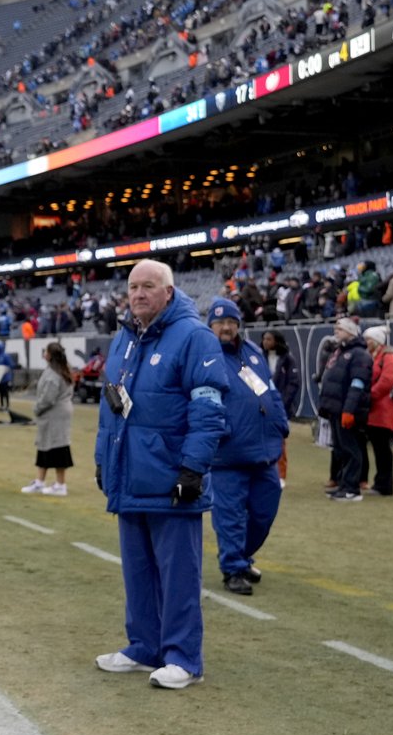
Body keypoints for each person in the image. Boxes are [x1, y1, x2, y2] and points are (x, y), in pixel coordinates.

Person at [94, 259, 226, 690]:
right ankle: (143, 646)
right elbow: (108, 407)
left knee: (178, 574)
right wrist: (102, 460)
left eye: (148, 286)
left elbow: (208, 411)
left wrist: (192, 468)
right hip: (130, 476)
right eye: (133, 287)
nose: (138, 294)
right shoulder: (124, 340)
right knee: (137, 572)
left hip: (171, 480)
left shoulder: (195, 338)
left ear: (169, 292)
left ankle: (183, 658)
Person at [206, 299, 287, 596]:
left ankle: (241, 555)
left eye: (231, 321)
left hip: (263, 449)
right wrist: (220, 430)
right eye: (219, 323)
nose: (226, 327)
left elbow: (269, 390)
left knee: (265, 510)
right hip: (228, 453)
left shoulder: (252, 351)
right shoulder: (205, 354)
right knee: (230, 515)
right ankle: (232, 568)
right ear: (210, 326)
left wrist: (280, 422)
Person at [317, 318, 373, 502]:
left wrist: (349, 409)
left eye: (340, 328)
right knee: (340, 448)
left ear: (350, 332)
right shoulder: (340, 352)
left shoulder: (359, 355)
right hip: (336, 408)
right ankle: (343, 484)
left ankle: (352, 489)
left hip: (347, 409)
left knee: (351, 448)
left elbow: (357, 384)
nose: (336, 331)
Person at [22, 341, 75, 495]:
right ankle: (40, 481)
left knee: (58, 447)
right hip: (56, 414)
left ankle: (60, 484)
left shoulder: (54, 374)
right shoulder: (60, 370)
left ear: (50, 355)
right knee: (45, 446)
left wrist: (37, 408)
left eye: (46, 351)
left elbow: (48, 398)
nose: (44, 353)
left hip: (54, 414)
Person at [363, 325, 393, 496]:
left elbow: (389, 379)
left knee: (382, 449)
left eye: (369, 339)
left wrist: (371, 394)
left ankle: (384, 485)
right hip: (377, 409)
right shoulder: (377, 356)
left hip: (383, 409)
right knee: (379, 448)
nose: (366, 342)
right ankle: (381, 483)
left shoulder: (388, 357)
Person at [261, 329, 300, 486]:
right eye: (264, 339)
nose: (265, 342)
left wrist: (282, 403)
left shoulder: (287, 359)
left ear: (277, 341)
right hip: (262, 406)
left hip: (281, 407)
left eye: (269, 339)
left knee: (280, 441)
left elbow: (293, 382)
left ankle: (281, 474)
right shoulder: (258, 358)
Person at [0, 341, 14, 412]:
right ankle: (1, 405)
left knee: (5, 392)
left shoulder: (5, 356)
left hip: (5, 377)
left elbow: (10, 365)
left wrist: (7, 371)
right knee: (0, 392)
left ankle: (7, 406)